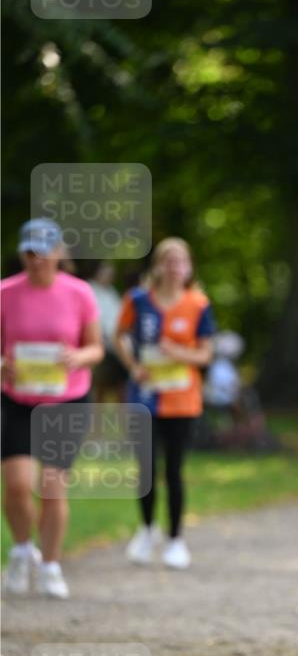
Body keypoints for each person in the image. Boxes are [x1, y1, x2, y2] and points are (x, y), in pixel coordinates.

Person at [1, 218, 103, 598]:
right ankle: (23, 548)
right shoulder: (5, 293)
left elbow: (97, 349)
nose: (36, 260)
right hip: (17, 400)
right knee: (15, 485)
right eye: (29, 253)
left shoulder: (79, 293)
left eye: (43, 253)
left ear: (60, 254)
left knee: (52, 487)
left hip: (67, 401)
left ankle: (51, 565)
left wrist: (77, 356)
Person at [113, 237, 215, 569]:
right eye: (168, 261)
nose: (174, 267)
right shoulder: (138, 300)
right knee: (145, 468)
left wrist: (179, 353)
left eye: (180, 261)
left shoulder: (198, 304)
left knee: (174, 469)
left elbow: (206, 354)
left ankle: (175, 539)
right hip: (144, 397)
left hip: (182, 399)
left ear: (189, 267)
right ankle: (145, 531)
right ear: (158, 265)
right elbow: (119, 336)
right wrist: (133, 366)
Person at [88, 261, 127, 404]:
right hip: (102, 346)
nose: (109, 275)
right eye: (106, 271)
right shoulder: (90, 290)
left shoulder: (111, 292)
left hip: (116, 346)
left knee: (121, 388)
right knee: (100, 388)